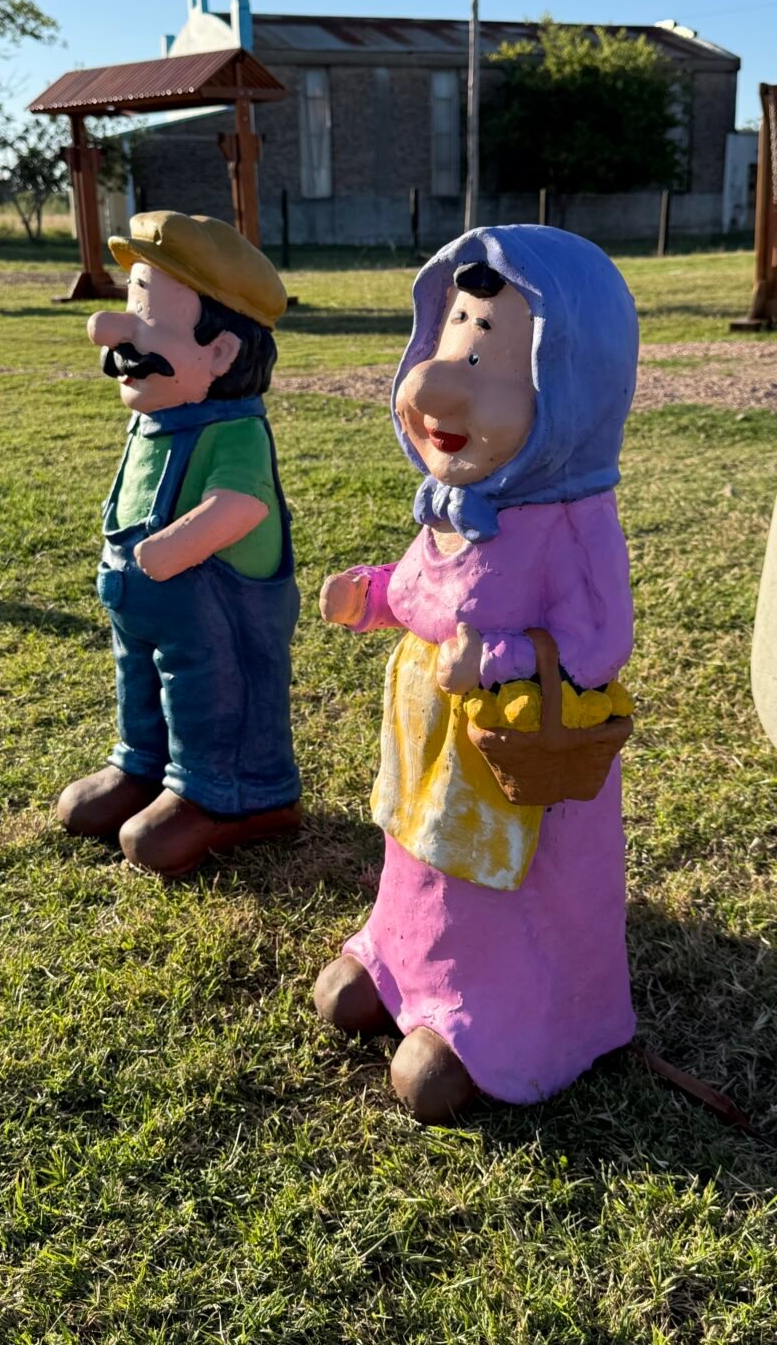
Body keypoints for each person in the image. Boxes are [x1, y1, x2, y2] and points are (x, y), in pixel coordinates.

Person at [314, 225, 638, 1122]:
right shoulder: (463, 501)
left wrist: (494, 658)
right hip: (431, 761)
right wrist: (372, 596)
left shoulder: (572, 518)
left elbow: (598, 642)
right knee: (416, 864)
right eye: (454, 335)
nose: (436, 381)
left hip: (511, 769)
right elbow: (426, 591)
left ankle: (499, 1017)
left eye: (490, 353)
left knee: (496, 892)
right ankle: (401, 958)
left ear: (574, 380)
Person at [57, 211, 301, 878]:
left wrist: (172, 548)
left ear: (220, 352)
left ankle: (230, 797)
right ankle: (144, 766)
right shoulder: (157, 421)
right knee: (141, 680)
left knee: (211, 693)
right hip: (145, 605)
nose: (112, 333)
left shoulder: (234, 432)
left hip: (215, 615)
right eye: (128, 306)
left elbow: (242, 504)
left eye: (146, 318)